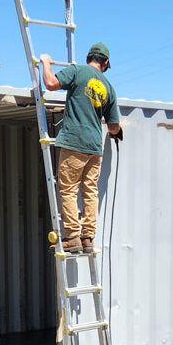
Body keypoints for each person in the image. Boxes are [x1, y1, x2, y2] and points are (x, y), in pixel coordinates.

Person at [40, 42, 123, 253]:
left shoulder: (77, 71)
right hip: (95, 147)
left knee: (68, 189)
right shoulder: (109, 88)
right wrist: (116, 133)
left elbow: (50, 83)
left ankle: (72, 237)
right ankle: (88, 238)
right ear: (105, 63)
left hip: (74, 141)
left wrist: (45, 62)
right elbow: (113, 126)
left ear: (88, 59)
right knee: (90, 191)